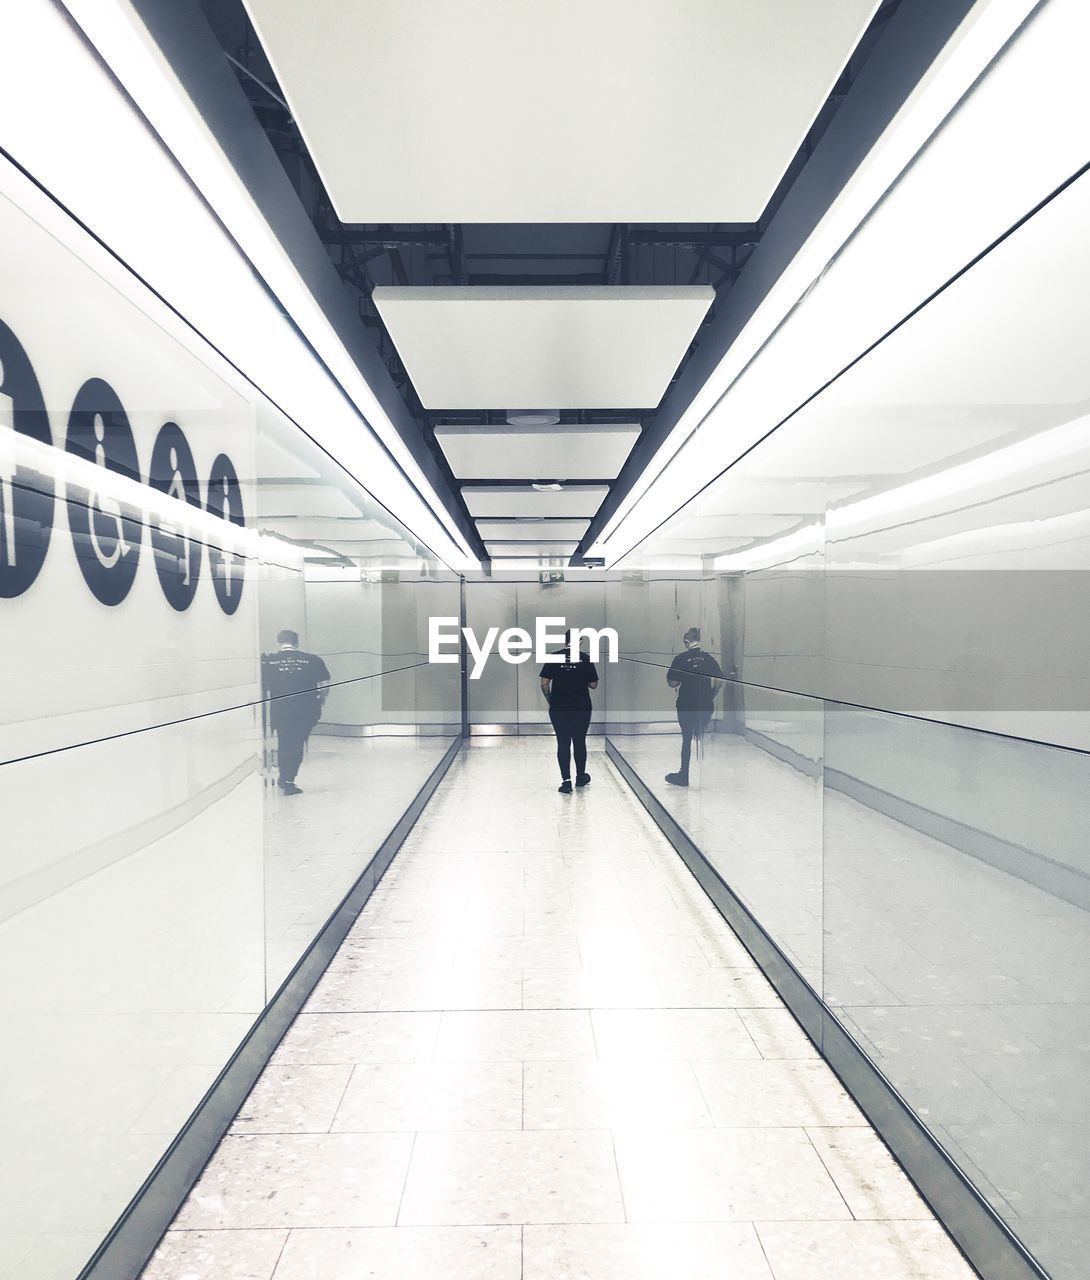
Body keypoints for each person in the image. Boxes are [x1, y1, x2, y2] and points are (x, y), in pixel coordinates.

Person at [262, 629, 330, 795]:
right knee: (297, 743)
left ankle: (283, 777)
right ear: (297, 642)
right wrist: (321, 700)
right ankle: (288, 780)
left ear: (279, 642)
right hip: (306, 709)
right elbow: (325, 684)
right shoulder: (313, 660)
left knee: (284, 742)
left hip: (281, 709)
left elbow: (264, 687)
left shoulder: (269, 661)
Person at [539, 629, 598, 794]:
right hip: (581, 707)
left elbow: (544, 683)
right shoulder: (585, 658)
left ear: (565, 641)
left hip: (559, 707)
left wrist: (551, 699)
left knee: (563, 742)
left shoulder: (554, 657)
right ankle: (580, 777)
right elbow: (593, 684)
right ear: (579, 642)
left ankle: (566, 781)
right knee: (579, 741)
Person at [665, 626, 723, 787]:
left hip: (686, 704)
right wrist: (711, 695)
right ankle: (704, 774)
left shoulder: (680, 659)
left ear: (686, 641)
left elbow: (672, 682)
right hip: (705, 704)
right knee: (701, 737)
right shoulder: (708, 658)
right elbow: (719, 680)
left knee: (687, 738)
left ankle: (684, 774)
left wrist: (683, 678)